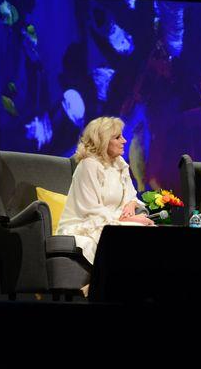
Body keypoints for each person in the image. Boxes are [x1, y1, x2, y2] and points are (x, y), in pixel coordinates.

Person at [57, 117, 154, 295]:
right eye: (117, 137)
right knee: (130, 233)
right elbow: (92, 210)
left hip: (111, 220)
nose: (124, 141)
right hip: (86, 223)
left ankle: (109, 284)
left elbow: (130, 193)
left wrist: (131, 204)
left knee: (146, 229)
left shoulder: (119, 164)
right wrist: (131, 219)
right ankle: (105, 285)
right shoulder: (88, 166)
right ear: (103, 140)